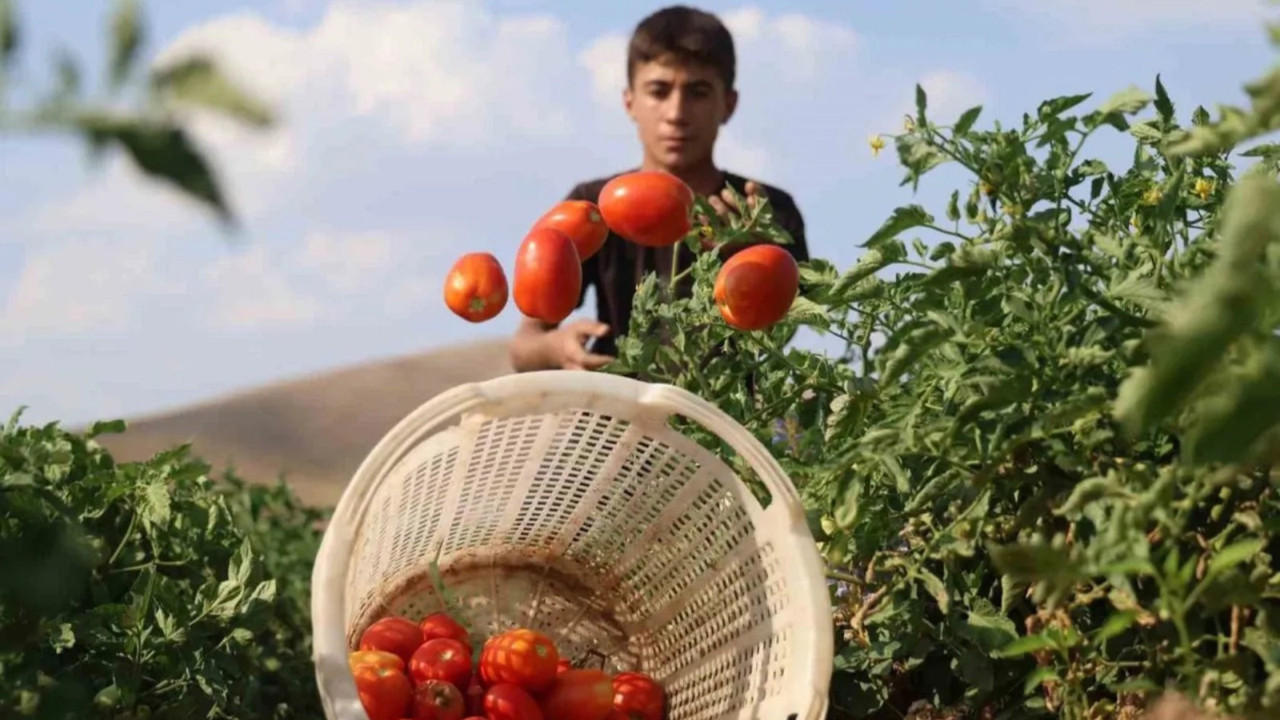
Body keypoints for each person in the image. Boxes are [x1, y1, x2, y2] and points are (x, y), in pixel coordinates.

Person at [508, 5, 810, 373]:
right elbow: (525, 344)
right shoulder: (591, 206)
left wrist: (748, 263)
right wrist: (556, 349)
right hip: (618, 424)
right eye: (659, 90)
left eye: (698, 92)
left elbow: (788, 331)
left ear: (728, 104)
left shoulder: (765, 210)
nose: (676, 112)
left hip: (723, 420)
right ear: (629, 101)